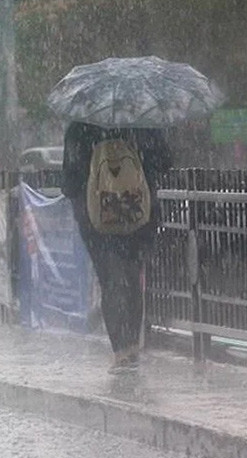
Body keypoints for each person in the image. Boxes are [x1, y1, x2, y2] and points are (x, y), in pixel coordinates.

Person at [61, 121, 172, 373]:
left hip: (96, 219)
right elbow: (165, 161)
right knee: (133, 277)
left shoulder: (80, 126)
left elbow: (69, 183)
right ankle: (133, 347)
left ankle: (120, 351)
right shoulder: (143, 122)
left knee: (110, 280)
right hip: (139, 214)